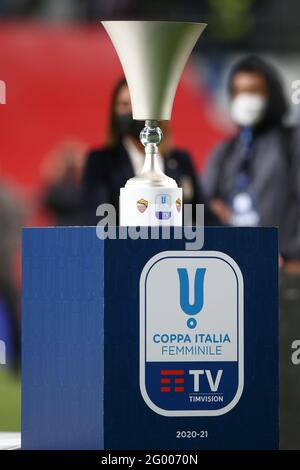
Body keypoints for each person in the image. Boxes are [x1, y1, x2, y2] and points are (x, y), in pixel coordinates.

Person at [202, 55, 300, 449]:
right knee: (243, 380)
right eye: (239, 91)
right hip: (238, 282)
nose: (246, 99)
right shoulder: (225, 152)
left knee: (287, 381)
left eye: (254, 91)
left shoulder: (291, 142)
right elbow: (207, 206)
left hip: (287, 276)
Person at [82, 78, 217, 226]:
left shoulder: (180, 160)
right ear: (114, 112)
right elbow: (98, 219)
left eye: (137, 104)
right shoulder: (101, 162)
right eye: (124, 104)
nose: (132, 111)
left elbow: (203, 216)